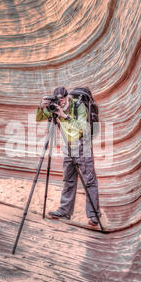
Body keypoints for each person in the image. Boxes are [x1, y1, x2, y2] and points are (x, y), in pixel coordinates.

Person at [35, 86, 101, 226]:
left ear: (67, 97)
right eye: (59, 101)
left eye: (63, 100)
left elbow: (84, 127)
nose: (62, 103)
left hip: (83, 144)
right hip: (68, 146)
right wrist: (41, 107)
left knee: (89, 180)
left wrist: (65, 116)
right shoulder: (56, 106)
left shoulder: (79, 107)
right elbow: (39, 118)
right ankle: (65, 211)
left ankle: (94, 216)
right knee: (68, 180)